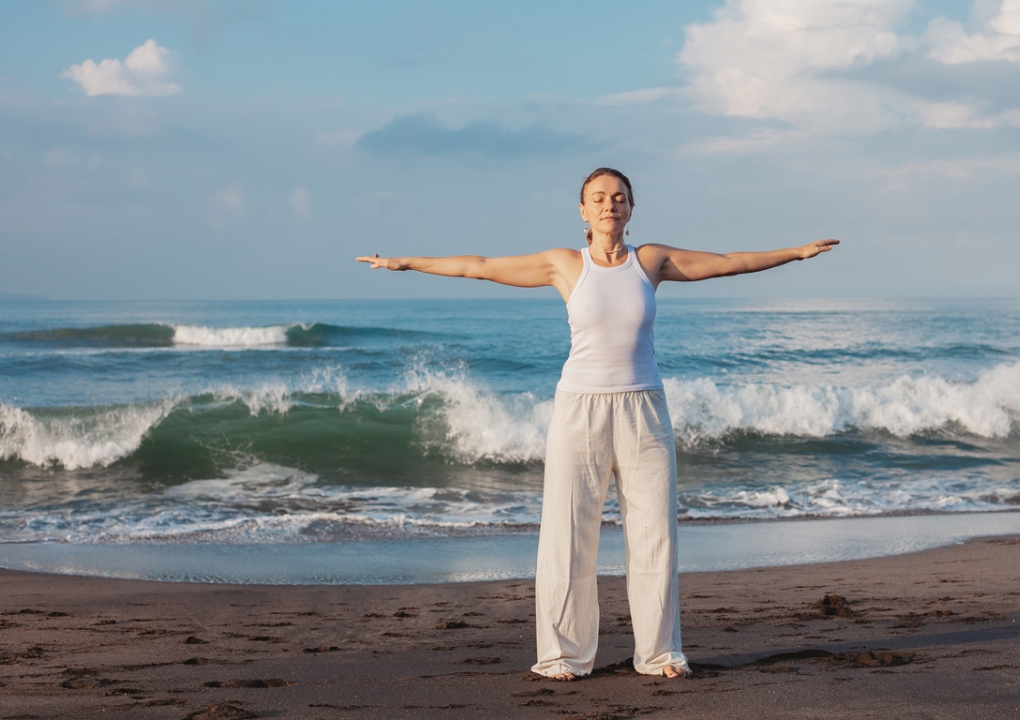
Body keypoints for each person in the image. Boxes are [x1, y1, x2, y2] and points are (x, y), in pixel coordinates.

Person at [358, 168, 838, 681]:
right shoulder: (565, 265)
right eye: (598, 198)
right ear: (582, 211)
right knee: (567, 535)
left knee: (655, 535)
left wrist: (794, 252)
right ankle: (563, 655)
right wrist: (405, 263)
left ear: (631, 208)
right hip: (579, 410)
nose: (610, 205)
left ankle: (659, 655)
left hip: (645, 410)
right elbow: (479, 266)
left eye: (619, 197)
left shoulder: (649, 261)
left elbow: (727, 263)